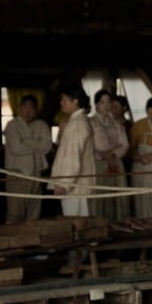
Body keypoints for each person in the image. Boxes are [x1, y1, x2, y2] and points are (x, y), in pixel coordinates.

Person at [3, 94, 53, 223]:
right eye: (25, 107)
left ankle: (32, 240)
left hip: (36, 172)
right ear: (20, 108)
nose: (28, 111)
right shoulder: (12, 125)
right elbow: (16, 148)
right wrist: (36, 143)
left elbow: (47, 146)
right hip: (17, 174)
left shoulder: (41, 125)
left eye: (31, 108)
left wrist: (26, 141)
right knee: (15, 212)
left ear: (36, 110)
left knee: (34, 212)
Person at [50, 85, 95, 217]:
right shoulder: (77, 121)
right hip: (77, 184)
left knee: (76, 222)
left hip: (76, 187)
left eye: (64, 99)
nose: (61, 103)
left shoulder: (77, 123)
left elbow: (72, 156)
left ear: (75, 101)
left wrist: (63, 182)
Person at [89, 89, 131, 221]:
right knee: (101, 195)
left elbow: (124, 144)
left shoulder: (116, 123)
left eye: (108, 102)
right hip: (98, 163)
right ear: (96, 104)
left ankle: (118, 224)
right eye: (102, 102)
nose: (106, 106)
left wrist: (113, 155)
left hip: (116, 162)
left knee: (116, 196)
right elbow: (88, 146)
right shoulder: (90, 122)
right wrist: (102, 156)